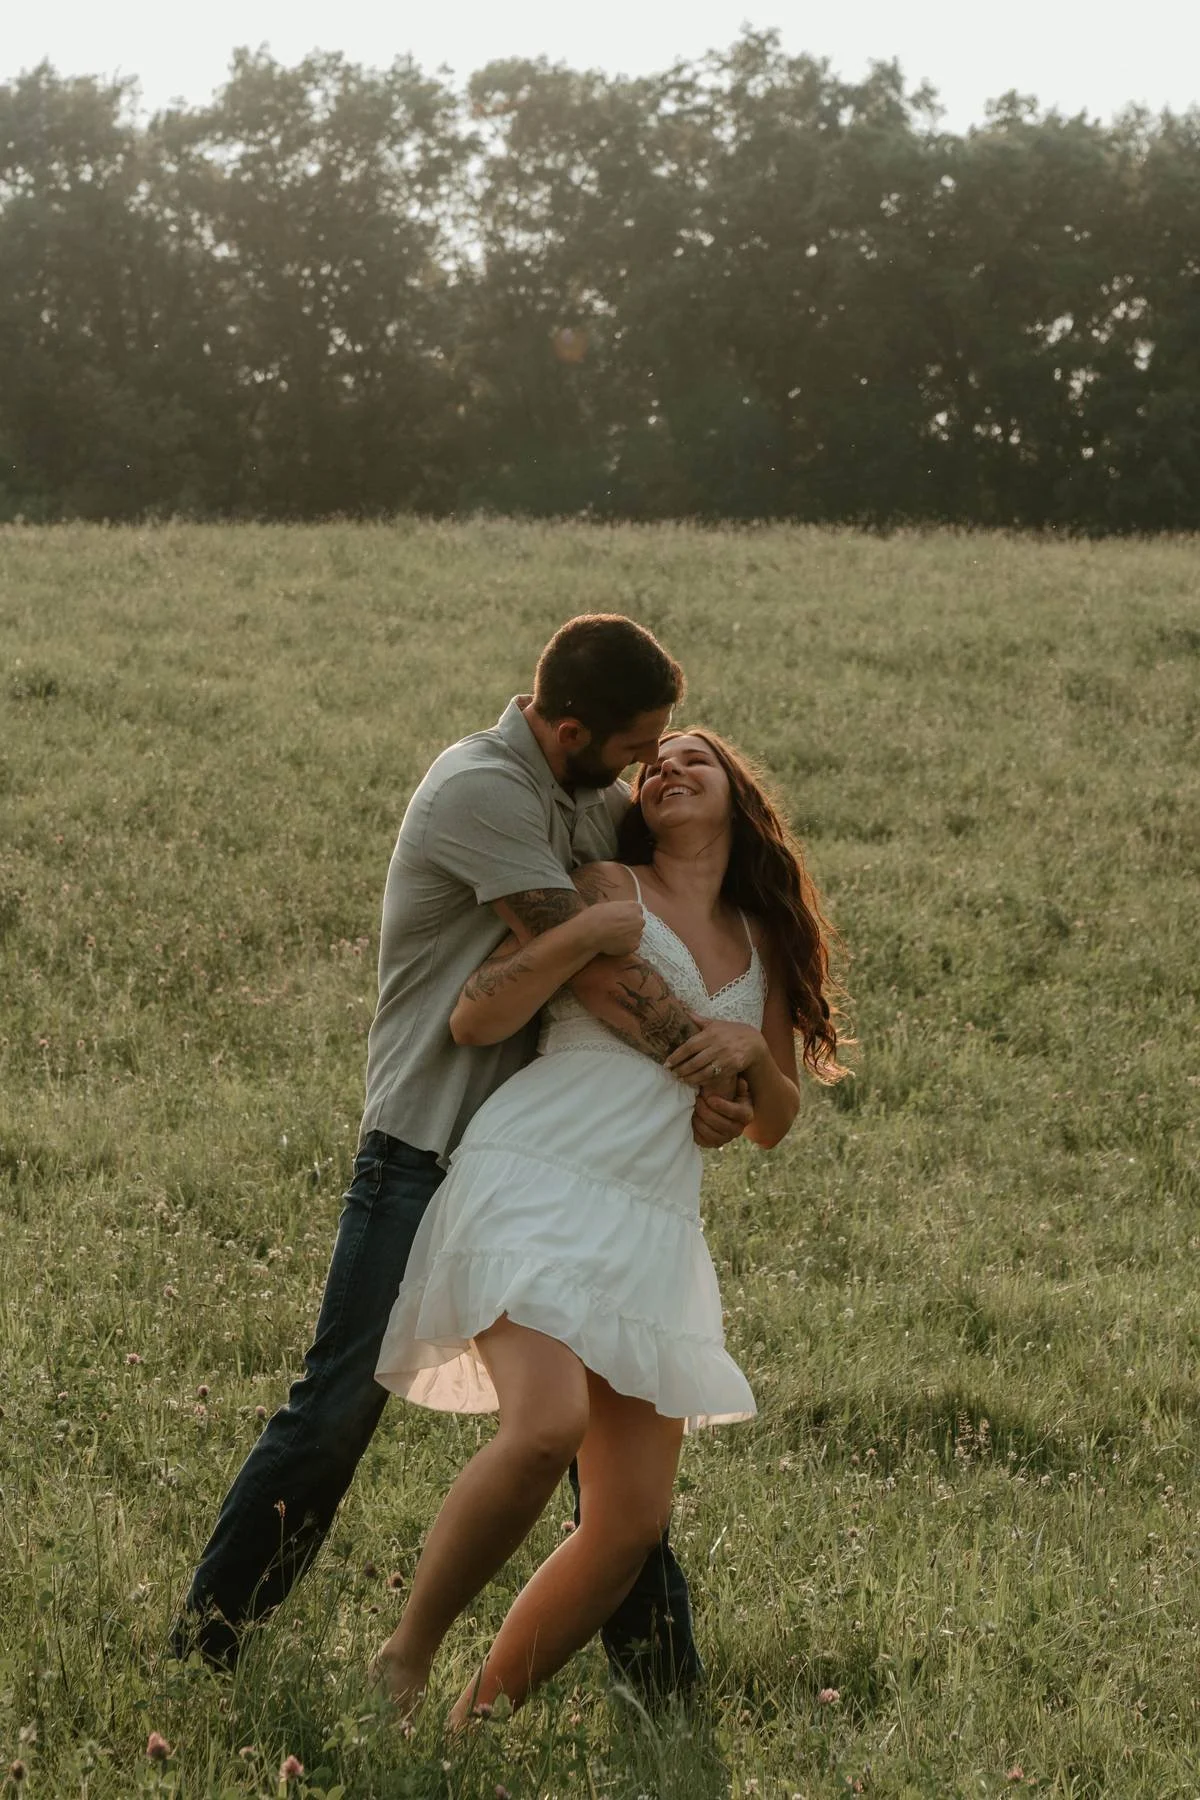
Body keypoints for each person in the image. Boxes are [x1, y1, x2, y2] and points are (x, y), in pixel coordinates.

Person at [171, 615, 753, 1698]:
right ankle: (207, 1646)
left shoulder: (586, 797)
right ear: (572, 728)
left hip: (540, 1155)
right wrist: (710, 1071)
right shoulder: (479, 789)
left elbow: (657, 921)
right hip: (427, 1147)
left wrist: (726, 1080)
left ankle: (664, 1693)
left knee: (612, 1430)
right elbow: (594, 972)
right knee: (338, 1405)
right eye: (634, 746)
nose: (643, 771)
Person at [371, 726, 847, 1728]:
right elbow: (475, 1018)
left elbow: (775, 1119)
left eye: (695, 761)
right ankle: (403, 1662)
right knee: (545, 1427)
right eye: (653, 764)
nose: (668, 770)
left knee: (629, 1521)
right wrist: (585, 936)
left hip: (652, 1216)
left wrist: (744, 1061)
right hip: (539, 1176)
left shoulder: (761, 938)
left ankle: (476, 1722)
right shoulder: (601, 884)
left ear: (738, 797)